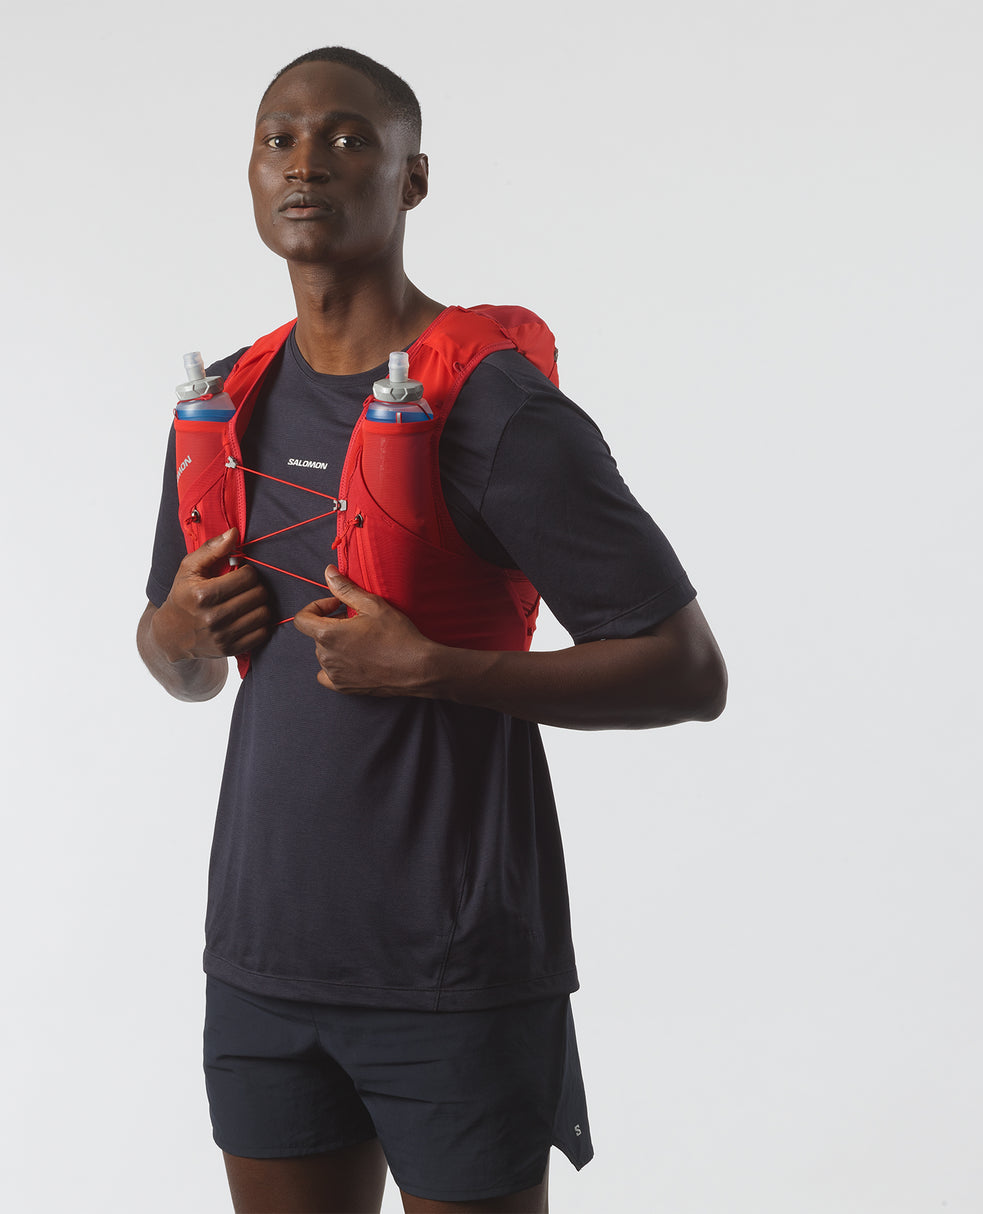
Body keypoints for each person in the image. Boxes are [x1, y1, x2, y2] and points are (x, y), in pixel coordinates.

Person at [137, 46, 726, 1214]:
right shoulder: (226, 402)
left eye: (347, 138)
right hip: (260, 962)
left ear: (412, 177)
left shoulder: (496, 410)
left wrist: (436, 668)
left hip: (453, 970)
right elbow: (183, 667)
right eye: (278, 138)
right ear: (250, 172)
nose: (305, 163)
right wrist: (178, 628)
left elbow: (686, 670)